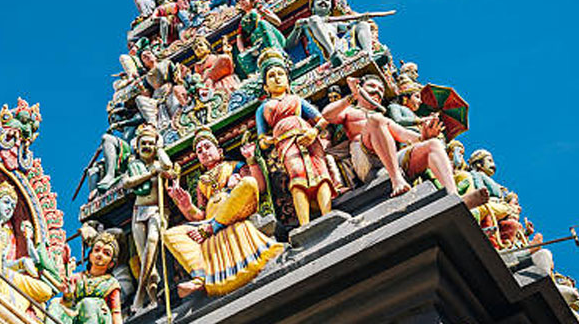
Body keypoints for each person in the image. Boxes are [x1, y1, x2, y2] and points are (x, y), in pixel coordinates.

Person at [164, 128, 284, 297]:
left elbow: (259, 187)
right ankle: (200, 276)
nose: (204, 152)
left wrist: (250, 160)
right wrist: (186, 205)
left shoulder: (234, 166)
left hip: (236, 210)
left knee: (248, 183)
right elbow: (200, 216)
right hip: (210, 221)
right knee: (170, 234)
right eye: (199, 151)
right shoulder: (201, 183)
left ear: (219, 151)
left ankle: (215, 226)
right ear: (198, 159)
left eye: (207, 147)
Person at [322, 74, 476, 204]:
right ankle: (396, 180)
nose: (378, 91)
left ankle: (454, 197)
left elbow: (403, 135)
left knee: (433, 145)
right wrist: (351, 97)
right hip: (366, 162)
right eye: (372, 86)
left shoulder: (384, 119)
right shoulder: (351, 111)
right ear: (360, 87)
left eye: (381, 90)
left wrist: (425, 136)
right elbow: (327, 115)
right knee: (375, 120)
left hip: (389, 160)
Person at [255, 49, 334, 226]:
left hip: (307, 136)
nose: (277, 78)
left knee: (320, 172)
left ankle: (327, 213)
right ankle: (305, 224)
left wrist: (314, 131)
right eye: (271, 76)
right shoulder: (264, 108)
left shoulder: (297, 100)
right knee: (297, 174)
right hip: (284, 143)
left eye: (280, 74)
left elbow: (321, 119)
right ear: (266, 87)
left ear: (287, 80)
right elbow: (261, 139)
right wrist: (267, 141)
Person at [45, 231, 134, 324]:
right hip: (77, 315)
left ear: (111, 263)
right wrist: (67, 294)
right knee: (55, 303)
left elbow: (116, 312)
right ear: (90, 254)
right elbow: (69, 304)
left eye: (106, 253)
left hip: (98, 317)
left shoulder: (112, 283)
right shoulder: (77, 277)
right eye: (97, 250)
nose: (100, 255)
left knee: (88, 303)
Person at [0, 182, 55, 312]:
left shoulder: (7, 233)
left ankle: (8, 294)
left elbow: (4, 264)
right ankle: (3, 294)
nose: (10, 208)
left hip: (3, 272)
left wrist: (21, 263)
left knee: (45, 291)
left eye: (13, 206)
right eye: (6, 202)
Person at [119, 124, 174, 312]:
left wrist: (159, 148)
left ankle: (139, 293)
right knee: (145, 257)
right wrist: (150, 173)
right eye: (144, 143)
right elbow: (126, 183)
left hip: (158, 209)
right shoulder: (136, 167)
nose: (147, 146)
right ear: (137, 146)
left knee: (152, 241)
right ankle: (152, 296)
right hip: (139, 210)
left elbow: (168, 166)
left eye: (151, 143)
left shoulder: (159, 163)